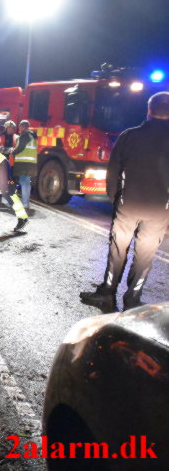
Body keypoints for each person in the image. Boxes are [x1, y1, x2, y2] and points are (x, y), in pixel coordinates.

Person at [80, 91, 169, 312]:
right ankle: (133, 299)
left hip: (128, 205)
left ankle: (107, 294)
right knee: (146, 255)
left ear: (149, 110)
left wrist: (115, 198)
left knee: (118, 249)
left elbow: (113, 171)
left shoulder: (130, 136)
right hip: (160, 210)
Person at [12, 120, 38, 209]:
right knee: (25, 182)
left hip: (24, 164)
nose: (20, 128)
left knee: (24, 182)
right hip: (31, 163)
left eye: (21, 126)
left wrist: (13, 152)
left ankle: (25, 203)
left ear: (23, 127)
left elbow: (21, 148)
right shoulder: (32, 136)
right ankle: (25, 202)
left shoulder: (25, 135)